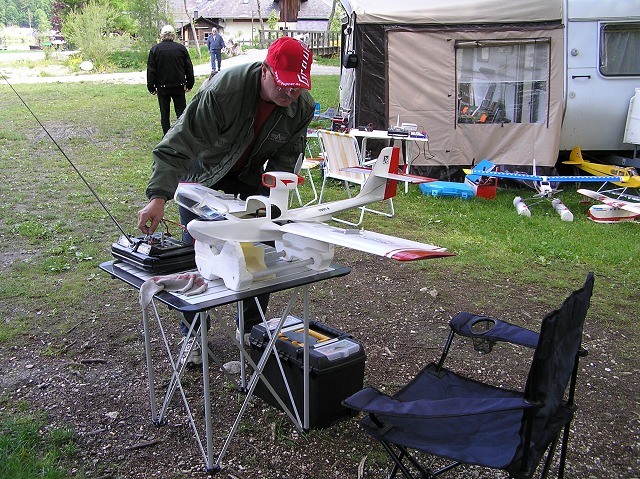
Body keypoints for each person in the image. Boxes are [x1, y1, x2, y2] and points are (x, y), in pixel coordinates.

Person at [137, 36, 315, 365]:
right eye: (285, 85)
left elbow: (286, 160)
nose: (291, 94)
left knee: (260, 251)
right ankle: (192, 334)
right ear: (265, 70)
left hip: (248, 176)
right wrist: (158, 197)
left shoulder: (300, 106)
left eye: (298, 87)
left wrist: (274, 209)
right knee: (197, 251)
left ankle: (250, 330)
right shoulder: (226, 90)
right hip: (202, 173)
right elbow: (177, 144)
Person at [147, 25, 195, 136]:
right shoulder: (181, 49)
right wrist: (190, 84)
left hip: (162, 87)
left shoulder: (155, 49)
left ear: (161, 36)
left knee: (165, 114)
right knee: (181, 114)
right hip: (179, 86)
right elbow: (188, 67)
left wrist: (151, 87)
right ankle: (182, 136)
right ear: (173, 35)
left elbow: (151, 70)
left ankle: (167, 137)